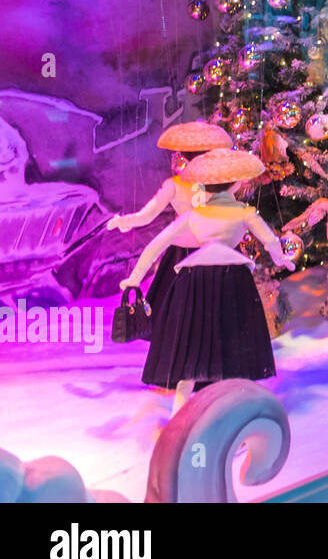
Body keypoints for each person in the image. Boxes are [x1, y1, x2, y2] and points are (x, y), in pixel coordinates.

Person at [118, 149, 293, 416]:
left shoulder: (194, 215)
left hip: (194, 282)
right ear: (236, 184)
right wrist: (281, 260)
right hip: (232, 281)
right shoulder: (244, 212)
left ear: (203, 187)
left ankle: (180, 416)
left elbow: (156, 245)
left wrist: (134, 278)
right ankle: (235, 416)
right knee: (233, 346)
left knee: (191, 347)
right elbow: (270, 240)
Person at [106, 120, 234, 311]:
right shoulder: (218, 183)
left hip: (191, 247)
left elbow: (146, 216)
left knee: (180, 304)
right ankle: (135, 279)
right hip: (212, 247)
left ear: (183, 156)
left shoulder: (176, 184)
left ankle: (135, 279)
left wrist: (123, 221)